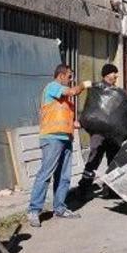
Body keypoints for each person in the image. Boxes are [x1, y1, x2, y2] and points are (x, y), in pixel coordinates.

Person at [27, 64, 91, 227]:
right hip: (52, 137)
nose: (71, 80)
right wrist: (83, 85)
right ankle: (34, 210)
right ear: (61, 75)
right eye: (69, 76)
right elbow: (72, 91)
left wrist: (80, 123)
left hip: (65, 138)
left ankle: (60, 208)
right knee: (46, 173)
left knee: (64, 176)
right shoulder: (53, 87)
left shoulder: (65, 99)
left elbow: (64, 118)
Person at [79, 63, 122, 198]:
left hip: (112, 133)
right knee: (93, 160)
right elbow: (91, 108)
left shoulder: (117, 91)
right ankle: (84, 188)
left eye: (116, 73)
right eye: (113, 73)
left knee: (113, 161)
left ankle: (111, 190)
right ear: (106, 74)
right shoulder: (96, 88)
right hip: (98, 133)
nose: (116, 75)